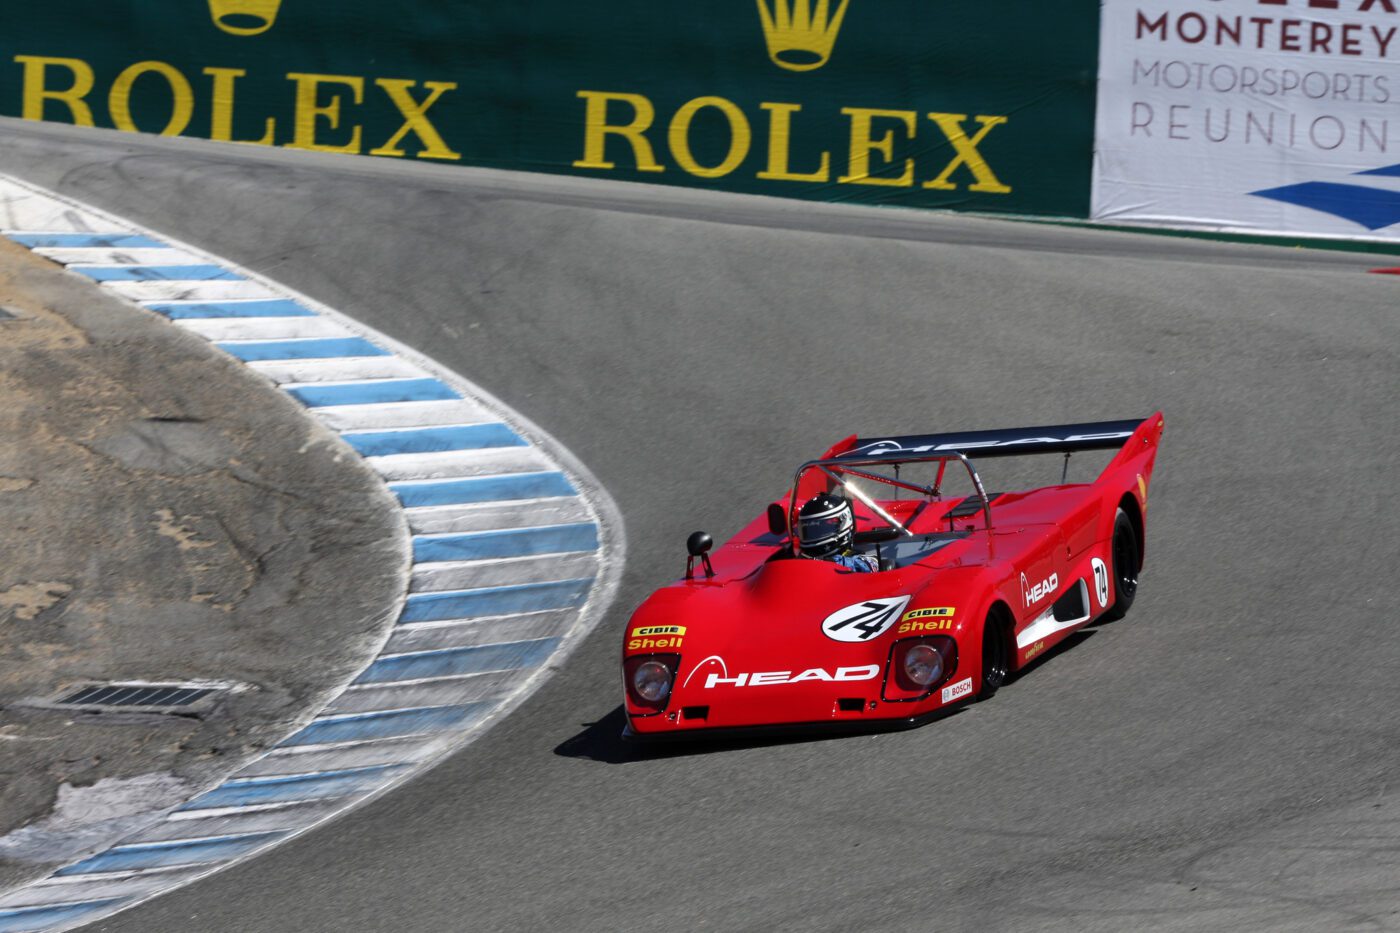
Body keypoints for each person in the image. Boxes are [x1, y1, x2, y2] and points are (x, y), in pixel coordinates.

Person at [796, 492, 878, 572]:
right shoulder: (799, 560)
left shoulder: (860, 561)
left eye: (821, 528)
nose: (813, 534)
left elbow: (871, 564)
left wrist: (829, 562)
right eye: (810, 531)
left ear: (844, 523)